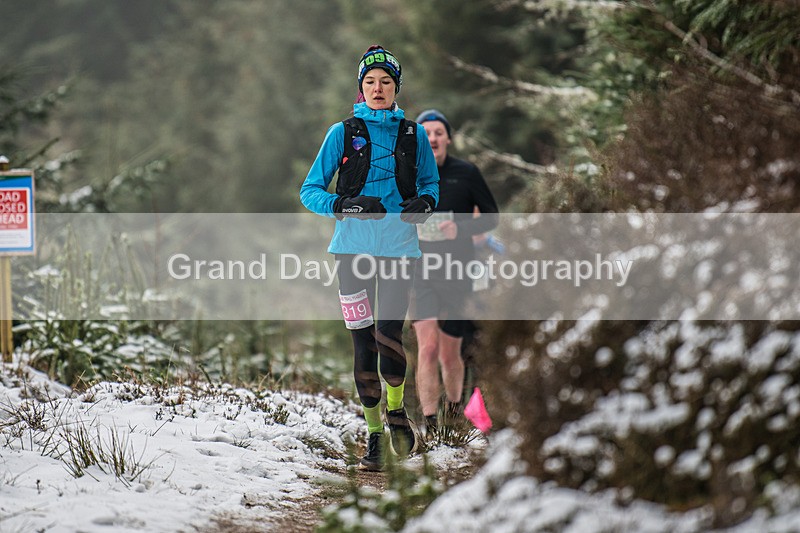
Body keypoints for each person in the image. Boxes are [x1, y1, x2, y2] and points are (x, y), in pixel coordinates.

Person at [300, 45, 439, 471]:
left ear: (396, 88)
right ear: (360, 88)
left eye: (386, 82)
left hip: (399, 250)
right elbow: (310, 191)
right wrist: (345, 204)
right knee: (362, 344)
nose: (378, 88)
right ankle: (374, 435)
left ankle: (397, 409)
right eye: (370, 82)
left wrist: (427, 204)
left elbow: (431, 186)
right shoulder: (341, 133)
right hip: (351, 252)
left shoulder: (414, 135)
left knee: (389, 338)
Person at [410, 109, 499, 435]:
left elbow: (491, 218)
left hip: (458, 269)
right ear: (418, 138)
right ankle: (430, 422)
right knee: (428, 348)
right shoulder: (409, 175)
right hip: (420, 269)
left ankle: (453, 410)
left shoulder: (467, 173)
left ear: (448, 138)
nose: (432, 137)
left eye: (438, 132)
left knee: (450, 351)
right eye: (426, 132)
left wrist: (459, 227)